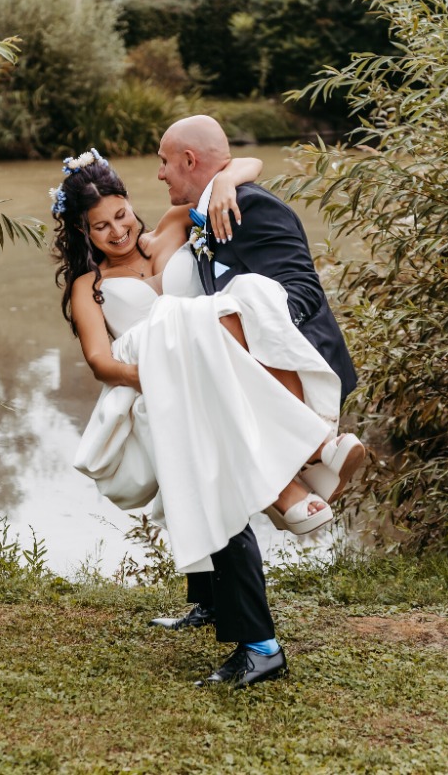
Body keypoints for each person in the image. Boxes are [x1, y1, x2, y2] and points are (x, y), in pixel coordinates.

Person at [51, 140, 362, 687]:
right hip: (163, 390)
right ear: (83, 231)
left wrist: (222, 185)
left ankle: (251, 636)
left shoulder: (172, 228)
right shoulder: (88, 287)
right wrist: (168, 375)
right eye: (100, 226)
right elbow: (101, 363)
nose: (118, 231)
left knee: (216, 492)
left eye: (121, 214)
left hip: (222, 377)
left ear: (130, 203)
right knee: (213, 497)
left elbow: (244, 165)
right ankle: (243, 620)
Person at [147, 114, 362, 689]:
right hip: (219, 379)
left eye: (165, 161)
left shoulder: (252, 206)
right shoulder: (204, 213)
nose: (160, 173)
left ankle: (260, 648)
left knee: (222, 489)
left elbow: (301, 292)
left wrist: (245, 328)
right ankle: (226, 605)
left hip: (279, 374)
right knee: (212, 485)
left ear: (190, 160)